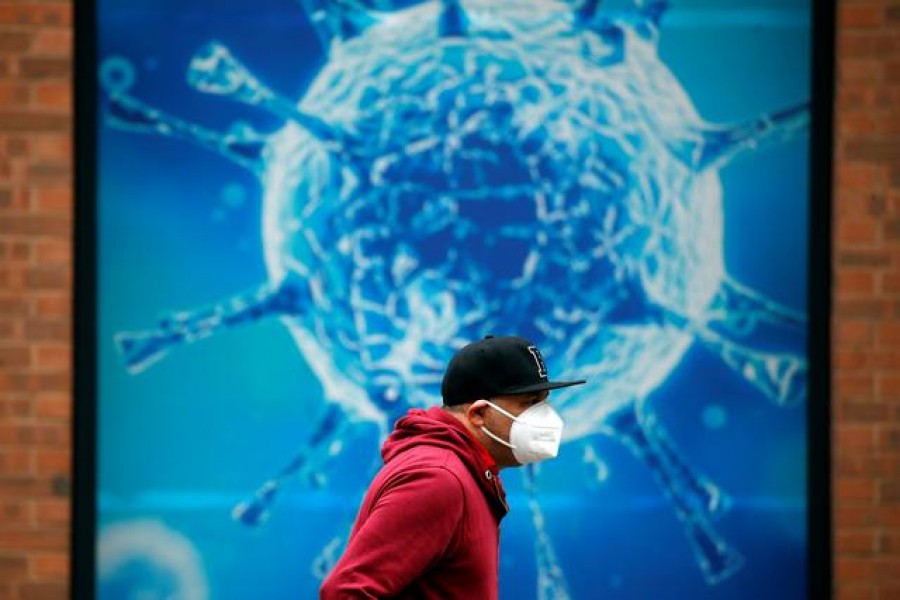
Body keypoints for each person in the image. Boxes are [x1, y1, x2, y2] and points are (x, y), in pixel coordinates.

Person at [319, 335, 586, 599]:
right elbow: (345, 593)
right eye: (530, 402)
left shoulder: (466, 472)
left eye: (545, 400)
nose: (547, 415)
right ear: (478, 414)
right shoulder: (439, 479)